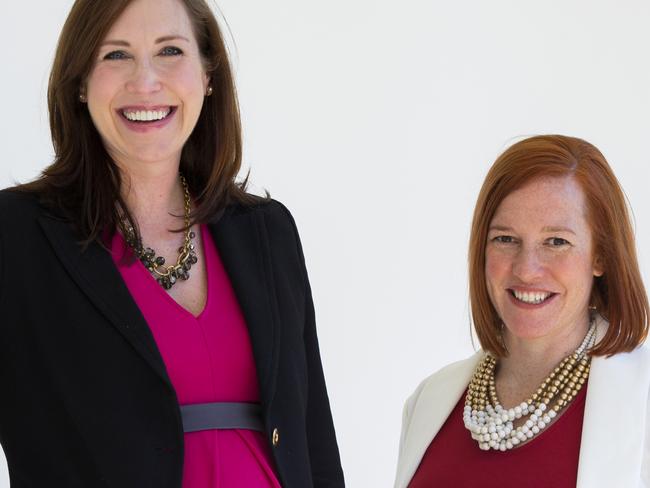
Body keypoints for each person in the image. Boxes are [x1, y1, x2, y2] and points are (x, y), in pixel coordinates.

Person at [0, 0, 344, 486]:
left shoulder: (267, 231)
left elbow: (314, 442)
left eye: (169, 51)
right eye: (116, 55)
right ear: (79, 81)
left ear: (207, 74)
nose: (145, 82)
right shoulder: (18, 235)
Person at [395, 135, 650, 488]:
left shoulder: (643, 402)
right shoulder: (429, 401)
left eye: (557, 241)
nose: (527, 269)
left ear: (601, 255)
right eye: (505, 239)